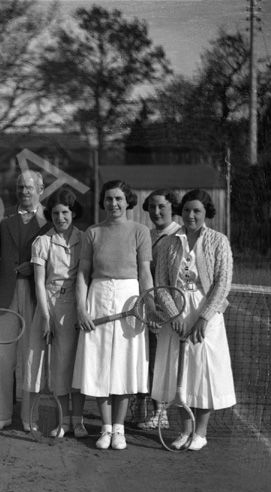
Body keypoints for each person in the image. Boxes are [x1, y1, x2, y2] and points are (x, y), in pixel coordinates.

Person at [152, 189, 236, 451]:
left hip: (205, 316)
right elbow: (161, 283)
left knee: (203, 372)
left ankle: (200, 433)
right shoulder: (168, 243)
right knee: (180, 372)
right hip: (176, 316)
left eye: (197, 211)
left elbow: (222, 284)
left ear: (206, 213)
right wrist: (173, 314)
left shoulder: (218, 241)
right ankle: (184, 431)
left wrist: (204, 318)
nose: (190, 215)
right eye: (187, 210)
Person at [73, 180, 153, 450]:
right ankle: (105, 429)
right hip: (97, 297)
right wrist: (81, 308)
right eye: (109, 199)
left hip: (130, 298)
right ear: (103, 202)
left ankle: (119, 429)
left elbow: (145, 273)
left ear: (128, 201)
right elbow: (83, 273)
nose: (114, 204)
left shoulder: (140, 231)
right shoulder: (92, 232)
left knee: (124, 364)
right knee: (98, 364)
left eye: (119, 198)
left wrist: (147, 303)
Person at [25, 189, 87, 438]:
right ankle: (62, 422)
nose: (61, 218)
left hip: (78, 305)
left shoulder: (85, 238)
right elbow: (39, 283)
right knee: (58, 366)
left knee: (77, 364)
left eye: (65, 212)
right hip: (50, 305)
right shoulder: (42, 242)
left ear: (73, 213)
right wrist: (45, 317)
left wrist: (82, 308)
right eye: (56, 213)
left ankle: (79, 421)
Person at [0, 170, 46, 432]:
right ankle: (0, 415)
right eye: (20, 187)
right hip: (6, 294)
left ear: (41, 190)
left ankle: (29, 417)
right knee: (4, 357)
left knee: (31, 358)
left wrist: (33, 268)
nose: (24, 192)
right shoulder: (4, 218)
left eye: (29, 188)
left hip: (36, 295)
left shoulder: (51, 219)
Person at [135, 189, 183, 430]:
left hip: (166, 310)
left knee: (159, 361)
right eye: (152, 207)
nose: (156, 211)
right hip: (144, 307)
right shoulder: (146, 234)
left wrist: (162, 310)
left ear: (172, 207)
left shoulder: (178, 235)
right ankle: (141, 407)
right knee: (141, 358)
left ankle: (161, 413)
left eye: (161, 206)